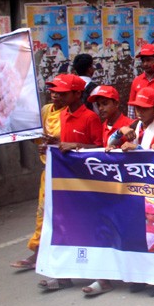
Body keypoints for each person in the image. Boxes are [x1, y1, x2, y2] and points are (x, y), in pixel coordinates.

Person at [35, 74, 104, 293]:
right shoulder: (62, 115)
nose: (59, 96)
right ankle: (64, 275)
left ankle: (102, 276)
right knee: (68, 227)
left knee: (92, 228)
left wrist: (77, 145)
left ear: (77, 94)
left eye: (65, 93)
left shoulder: (90, 117)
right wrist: (52, 146)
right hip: (67, 183)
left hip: (88, 183)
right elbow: (63, 143)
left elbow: (100, 148)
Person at [10, 76, 66, 271]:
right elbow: (36, 136)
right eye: (52, 90)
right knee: (43, 211)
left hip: (67, 172)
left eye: (59, 92)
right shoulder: (45, 111)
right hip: (48, 169)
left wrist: (57, 144)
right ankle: (38, 250)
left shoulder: (70, 114)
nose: (54, 94)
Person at [127, 43, 154, 117]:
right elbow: (131, 106)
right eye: (143, 61)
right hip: (141, 124)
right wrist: (133, 125)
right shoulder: (137, 81)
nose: (145, 64)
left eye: (148, 60)